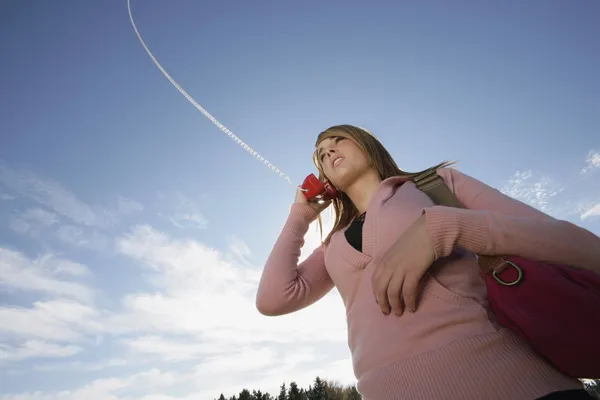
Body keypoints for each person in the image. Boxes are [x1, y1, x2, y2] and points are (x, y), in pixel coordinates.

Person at [255, 125, 599, 400]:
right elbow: (274, 298)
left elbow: (580, 246)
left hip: (519, 385)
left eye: (337, 139)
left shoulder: (437, 185)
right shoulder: (332, 246)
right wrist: (300, 215)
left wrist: (444, 227)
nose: (327, 150)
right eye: (320, 153)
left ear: (367, 144)